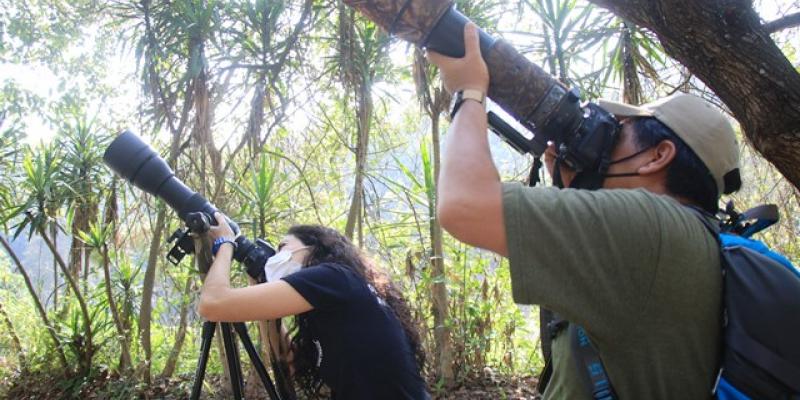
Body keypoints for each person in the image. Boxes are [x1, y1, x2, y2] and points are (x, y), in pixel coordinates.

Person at [427, 23, 741, 399]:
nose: (607, 140)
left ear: (658, 155)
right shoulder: (691, 238)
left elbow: (464, 205)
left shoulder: (650, 228)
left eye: (619, 130)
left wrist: (468, 92)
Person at [199, 217, 429, 399]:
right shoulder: (331, 303)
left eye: (283, 247)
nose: (278, 256)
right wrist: (260, 286)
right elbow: (288, 360)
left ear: (313, 248)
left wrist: (225, 243)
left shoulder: (332, 277)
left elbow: (213, 304)